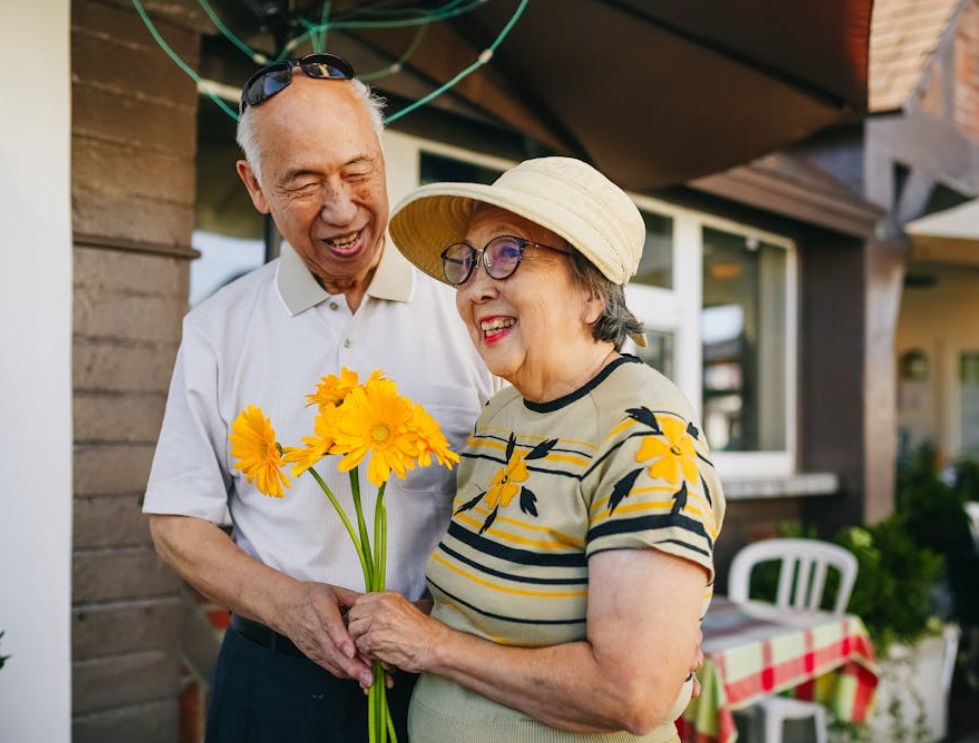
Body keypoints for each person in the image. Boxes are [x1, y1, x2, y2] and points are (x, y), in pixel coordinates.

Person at [142, 54, 493, 742]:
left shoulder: (473, 306)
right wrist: (288, 604)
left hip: (450, 682)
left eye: (357, 171)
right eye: (303, 181)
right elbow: (176, 522)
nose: (341, 208)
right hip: (272, 679)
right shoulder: (219, 325)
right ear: (255, 186)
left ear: (383, 158)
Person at [348, 157, 726, 742]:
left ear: (591, 291)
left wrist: (433, 647)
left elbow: (632, 693)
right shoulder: (501, 414)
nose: (476, 287)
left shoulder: (647, 436)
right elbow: (493, 615)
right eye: (466, 262)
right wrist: (400, 624)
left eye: (507, 254)